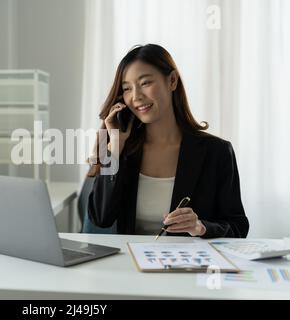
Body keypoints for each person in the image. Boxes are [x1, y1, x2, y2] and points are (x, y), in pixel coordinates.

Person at [87, 44, 249, 238]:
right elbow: (100, 218)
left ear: (172, 81)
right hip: (130, 264)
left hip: (190, 265)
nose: (136, 96)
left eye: (145, 83)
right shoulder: (123, 150)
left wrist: (200, 227)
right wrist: (114, 148)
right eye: (127, 88)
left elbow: (238, 227)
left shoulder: (217, 151)